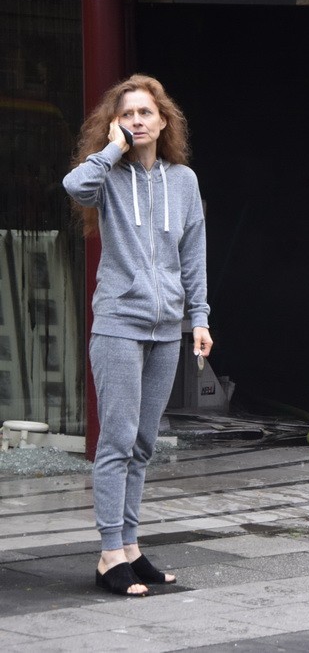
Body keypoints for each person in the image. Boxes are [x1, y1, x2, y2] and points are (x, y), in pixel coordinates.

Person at [63, 74, 213, 596]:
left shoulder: (184, 181)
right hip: (119, 325)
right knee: (118, 440)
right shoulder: (105, 176)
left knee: (144, 443)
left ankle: (129, 545)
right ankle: (109, 553)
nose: (137, 121)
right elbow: (73, 187)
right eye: (126, 115)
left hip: (167, 327)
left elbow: (193, 255)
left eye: (145, 113)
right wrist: (110, 151)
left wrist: (199, 317)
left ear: (163, 121)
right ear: (115, 125)